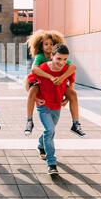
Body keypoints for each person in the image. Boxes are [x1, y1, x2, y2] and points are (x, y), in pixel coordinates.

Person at [24, 30, 85, 138]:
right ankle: (29, 120)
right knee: (32, 90)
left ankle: (76, 123)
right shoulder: (40, 56)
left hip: (57, 82)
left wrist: (67, 96)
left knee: (73, 94)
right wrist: (50, 78)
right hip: (41, 82)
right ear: (40, 45)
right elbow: (34, 69)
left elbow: (72, 67)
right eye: (46, 44)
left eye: (52, 44)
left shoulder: (59, 56)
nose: (49, 46)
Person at [29, 44, 75, 175]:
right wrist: (36, 99)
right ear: (52, 56)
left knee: (49, 131)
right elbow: (29, 83)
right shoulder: (42, 68)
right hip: (43, 105)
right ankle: (51, 163)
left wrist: (68, 97)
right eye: (59, 59)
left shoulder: (67, 69)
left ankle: (40, 145)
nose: (62, 62)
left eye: (65, 59)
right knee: (50, 130)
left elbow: (71, 83)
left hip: (57, 104)